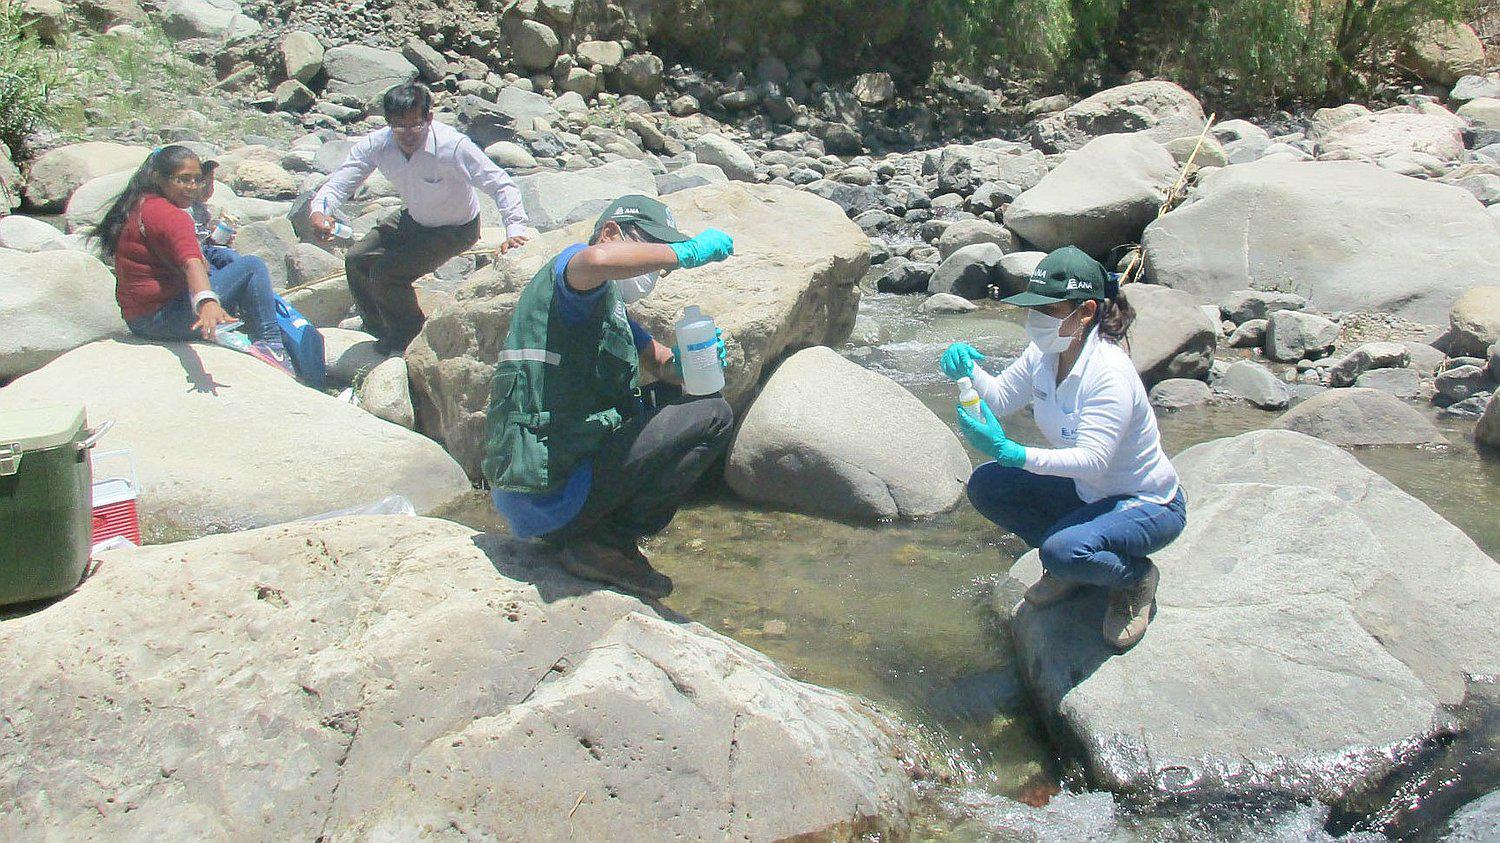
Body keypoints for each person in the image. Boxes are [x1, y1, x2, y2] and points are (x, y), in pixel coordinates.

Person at [483, 195, 735, 599]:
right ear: (610, 233)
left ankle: (597, 537)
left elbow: (662, 362)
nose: (656, 271)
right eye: (649, 245)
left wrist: (690, 363)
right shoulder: (572, 275)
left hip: (555, 482)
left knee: (690, 397)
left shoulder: (609, 309)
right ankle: (605, 542)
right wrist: (684, 253)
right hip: (546, 492)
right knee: (715, 416)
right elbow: (595, 262)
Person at [942, 246, 1187, 650]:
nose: (1034, 318)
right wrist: (968, 372)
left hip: (1145, 503)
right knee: (988, 485)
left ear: (1085, 312)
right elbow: (1000, 398)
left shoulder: (1108, 373)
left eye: (1046, 309)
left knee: (1062, 551)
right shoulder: (1045, 353)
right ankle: (1080, 569)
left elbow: (1093, 460)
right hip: (1088, 494)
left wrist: (1013, 452)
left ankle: (1134, 579)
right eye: (1031, 307)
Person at [308, 81, 531, 356]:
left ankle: (410, 339)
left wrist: (515, 229)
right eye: (399, 126)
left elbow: (501, 184)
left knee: (386, 273)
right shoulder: (378, 145)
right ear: (389, 123)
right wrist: (320, 211)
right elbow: (341, 181)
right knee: (357, 260)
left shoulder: (452, 146)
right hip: (414, 218)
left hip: (456, 228)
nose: (409, 134)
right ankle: (380, 328)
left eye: (416, 125)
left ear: (429, 119)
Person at [92, 145, 291, 374]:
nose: (192, 187)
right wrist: (207, 303)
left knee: (222, 260)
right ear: (159, 178)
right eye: (183, 180)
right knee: (251, 267)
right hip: (163, 320)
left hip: (138, 319)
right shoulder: (172, 215)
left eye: (197, 179)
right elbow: (191, 262)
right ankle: (271, 342)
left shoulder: (138, 203)